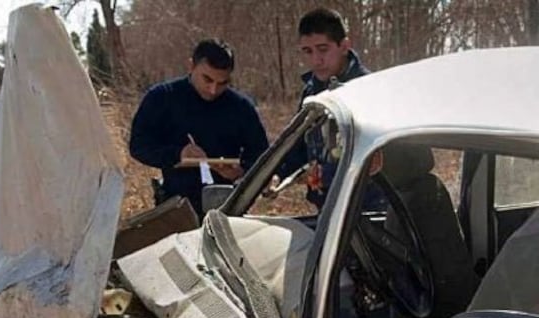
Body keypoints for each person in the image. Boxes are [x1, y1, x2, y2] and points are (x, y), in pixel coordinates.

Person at [129, 39, 269, 218]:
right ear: (191, 66)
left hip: (227, 206)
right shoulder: (162, 98)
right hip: (176, 205)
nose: (213, 90)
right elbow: (138, 146)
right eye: (207, 79)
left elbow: (262, 155)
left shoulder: (241, 106)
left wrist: (241, 171)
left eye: (222, 83)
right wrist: (177, 154)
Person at [277, 8, 371, 208]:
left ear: (344, 46)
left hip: (366, 208)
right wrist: (276, 175)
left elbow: (384, 160)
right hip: (326, 206)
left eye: (323, 49)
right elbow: (298, 148)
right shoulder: (311, 93)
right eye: (308, 51)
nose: (316, 60)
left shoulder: (368, 90)